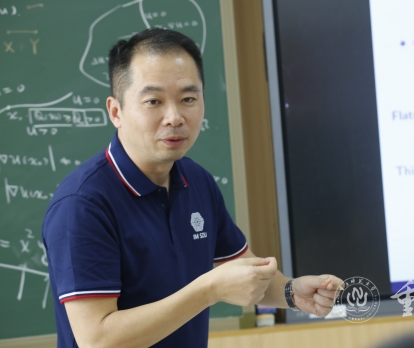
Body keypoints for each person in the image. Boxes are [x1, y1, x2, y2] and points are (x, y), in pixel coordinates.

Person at [42, 28, 344, 348]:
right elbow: (98, 339)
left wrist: (292, 292)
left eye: (188, 99)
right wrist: (208, 290)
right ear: (116, 111)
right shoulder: (82, 204)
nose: (174, 117)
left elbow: (243, 273)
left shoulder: (196, 181)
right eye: (154, 101)